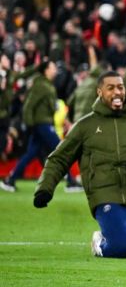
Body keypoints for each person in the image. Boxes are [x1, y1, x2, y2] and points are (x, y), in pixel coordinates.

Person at [33, 71, 126, 258]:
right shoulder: (85, 126)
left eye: (120, 87)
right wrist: (44, 189)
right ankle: (101, 242)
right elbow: (59, 159)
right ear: (99, 92)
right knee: (121, 249)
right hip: (107, 199)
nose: (117, 92)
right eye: (110, 88)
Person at [1, 60, 81, 192]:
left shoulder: (46, 84)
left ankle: (10, 180)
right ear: (46, 70)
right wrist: (30, 125)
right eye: (52, 67)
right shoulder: (41, 85)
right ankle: (71, 182)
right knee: (61, 150)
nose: (55, 70)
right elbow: (28, 106)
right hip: (42, 124)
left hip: (42, 124)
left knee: (30, 154)